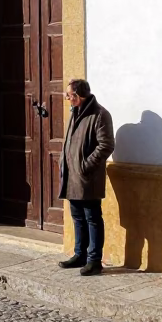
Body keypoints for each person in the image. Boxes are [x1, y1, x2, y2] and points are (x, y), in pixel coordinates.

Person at [58, 79, 115, 276]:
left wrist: (85, 166)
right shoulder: (75, 112)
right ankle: (80, 254)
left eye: (69, 95)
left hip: (87, 177)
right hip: (71, 176)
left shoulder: (100, 114)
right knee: (77, 217)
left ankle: (94, 260)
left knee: (92, 218)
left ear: (78, 95)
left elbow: (106, 145)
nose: (66, 98)